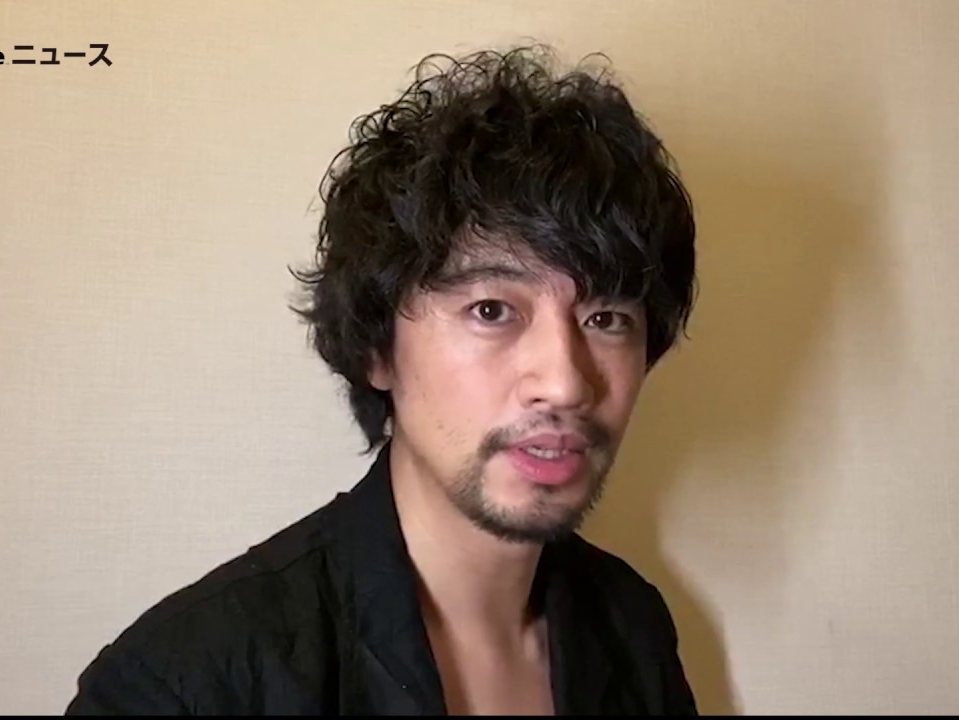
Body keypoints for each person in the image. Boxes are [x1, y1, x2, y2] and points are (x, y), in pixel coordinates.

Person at [65, 44, 700, 716]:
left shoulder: (631, 627)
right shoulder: (188, 682)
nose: (566, 384)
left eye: (606, 319)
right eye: (492, 310)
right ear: (378, 350)